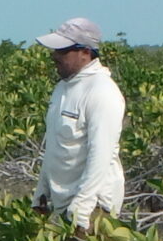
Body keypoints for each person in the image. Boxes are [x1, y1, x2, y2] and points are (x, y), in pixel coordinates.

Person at [33, 17, 126, 228]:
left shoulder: (102, 91)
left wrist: (82, 208)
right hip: (62, 205)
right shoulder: (62, 88)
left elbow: (100, 155)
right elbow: (55, 147)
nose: (54, 56)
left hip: (92, 209)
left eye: (62, 51)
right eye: (54, 50)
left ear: (86, 52)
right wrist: (42, 190)